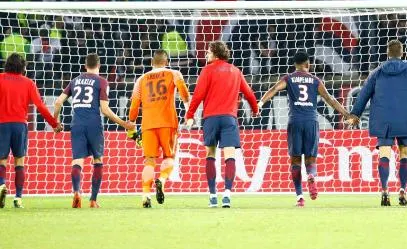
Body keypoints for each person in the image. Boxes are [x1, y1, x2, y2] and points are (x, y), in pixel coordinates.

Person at [258, 51, 353, 207]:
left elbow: (275, 88)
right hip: (311, 122)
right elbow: (330, 99)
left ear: (294, 64)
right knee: (311, 160)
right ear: (308, 64)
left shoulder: (288, 78)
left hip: (295, 121)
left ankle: (300, 197)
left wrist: (260, 104)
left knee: (295, 160)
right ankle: (311, 175)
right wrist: (346, 114)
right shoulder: (315, 80)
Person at [348, 40, 407, 207]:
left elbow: (363, 94)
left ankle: (384, 190)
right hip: (406, 118)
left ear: (387, 53)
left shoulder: (377, 71)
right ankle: (402, 190)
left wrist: (355, 114)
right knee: (404, 154)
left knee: (384, 155)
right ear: (402, 53)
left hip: (383, 119)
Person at [185, 41, 259, 208]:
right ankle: (227, 194)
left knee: (210, 155)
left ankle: (212, 196)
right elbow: (248, 93)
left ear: (216, 53)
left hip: (211, 118)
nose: (206, 54)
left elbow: (198, 95)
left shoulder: (207, 70)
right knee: (230, 156)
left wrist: (189, 114)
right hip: (229, 119)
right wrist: (255, 109)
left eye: (209, 52)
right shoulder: (236, 71)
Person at [53, 53, 133, 208]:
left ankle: (77, 192)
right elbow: (105, 110)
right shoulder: (102, 81)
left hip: (76, 124)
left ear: (85, 66)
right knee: (98, 160)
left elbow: (57, 102)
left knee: (77, 161)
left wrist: (56, 122)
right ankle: (93, 200)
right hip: (94, 125)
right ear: (99, 65)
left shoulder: (75, 81)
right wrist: (124, 123)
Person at [128, 50, 190, 208]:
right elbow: (183, 92)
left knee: (149, 161)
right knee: (169, 156)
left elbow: (134, 105)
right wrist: (188, 110)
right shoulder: (174, 73)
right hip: (168, 122)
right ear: (166, 61)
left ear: (151, 63)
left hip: (148, 125)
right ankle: (161, 180)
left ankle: (145, 195)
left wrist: (131, 124)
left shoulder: (141, 79)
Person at [0, 53, 62, 209]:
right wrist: (54, 123)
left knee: (2, 161)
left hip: (2, 125)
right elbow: (40, 106)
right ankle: (18, 198)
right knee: (19, 161)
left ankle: (1, 185)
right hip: (20, 125)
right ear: (23, 67)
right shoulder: (28, 83)